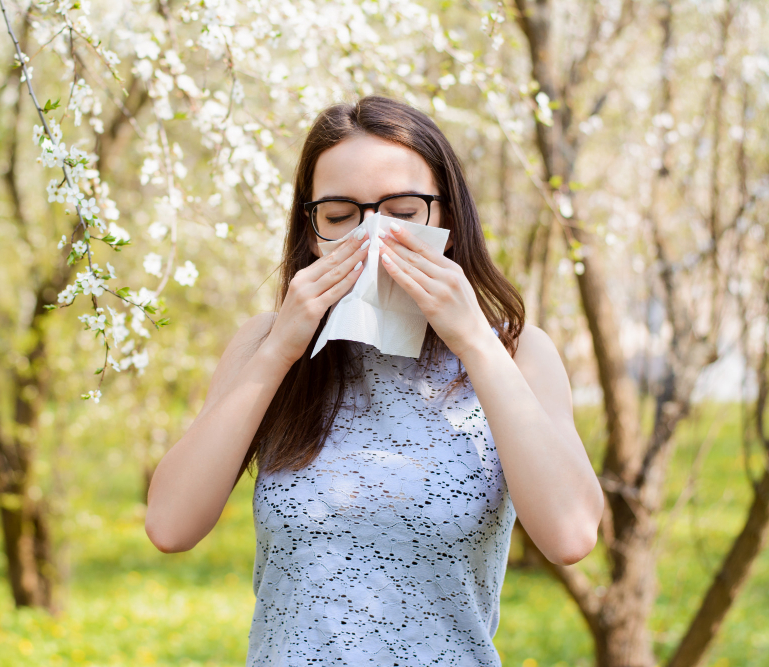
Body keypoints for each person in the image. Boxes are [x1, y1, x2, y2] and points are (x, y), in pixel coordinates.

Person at [145, 95, 604, 666]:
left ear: (450, 220)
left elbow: (571, 535)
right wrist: (280, 350)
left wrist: (474, 343)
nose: (372, 239)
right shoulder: (269, 346)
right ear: (312, 232)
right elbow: (169, 525)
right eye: (341, 217)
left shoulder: (517, 352)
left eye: (403, 212)